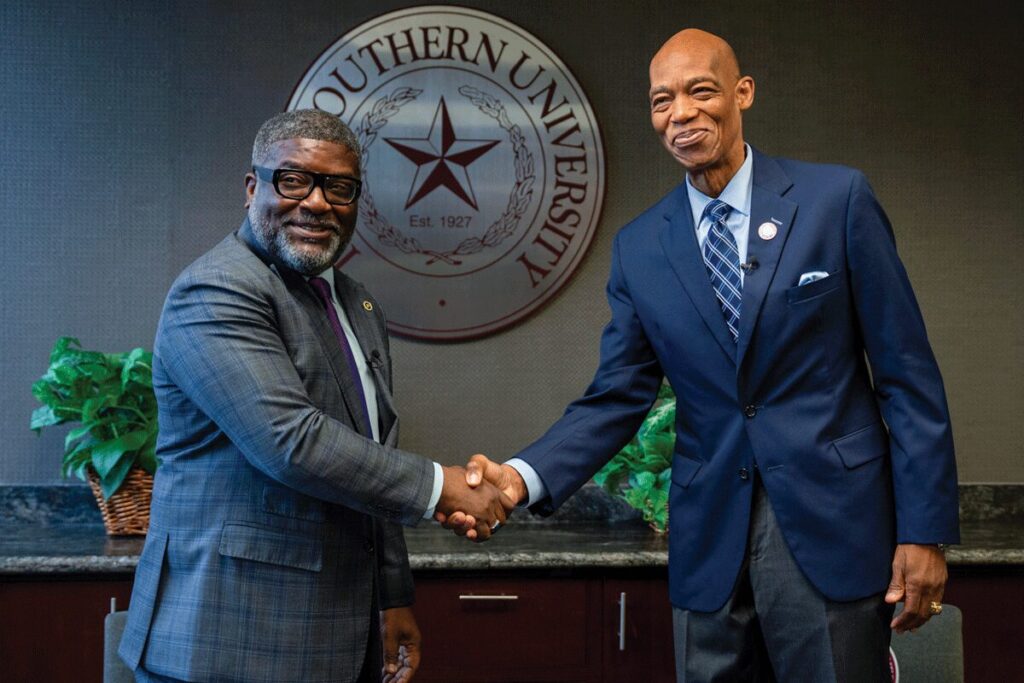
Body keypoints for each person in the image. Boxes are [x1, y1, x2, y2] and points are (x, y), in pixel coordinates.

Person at [448, 28, 960, 682]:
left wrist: (924, 532)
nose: (681, 114)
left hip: (835, 527)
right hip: (709, 541)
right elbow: (617, 396)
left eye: (700, 92)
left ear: (742, 93)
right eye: (663, 101)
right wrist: (519, 477)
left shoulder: (837, 202)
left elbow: (906, 376)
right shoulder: (640, 248)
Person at [119, 109, 512, 683]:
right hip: (228, 640)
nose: (317, 202)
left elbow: (370, 452)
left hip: (334, 634)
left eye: (340, 188)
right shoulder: (218, 289)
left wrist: (392, 597)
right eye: (293, 180)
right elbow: (290, 442)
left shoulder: (356, 303)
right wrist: (441, 486)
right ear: (253, 187)